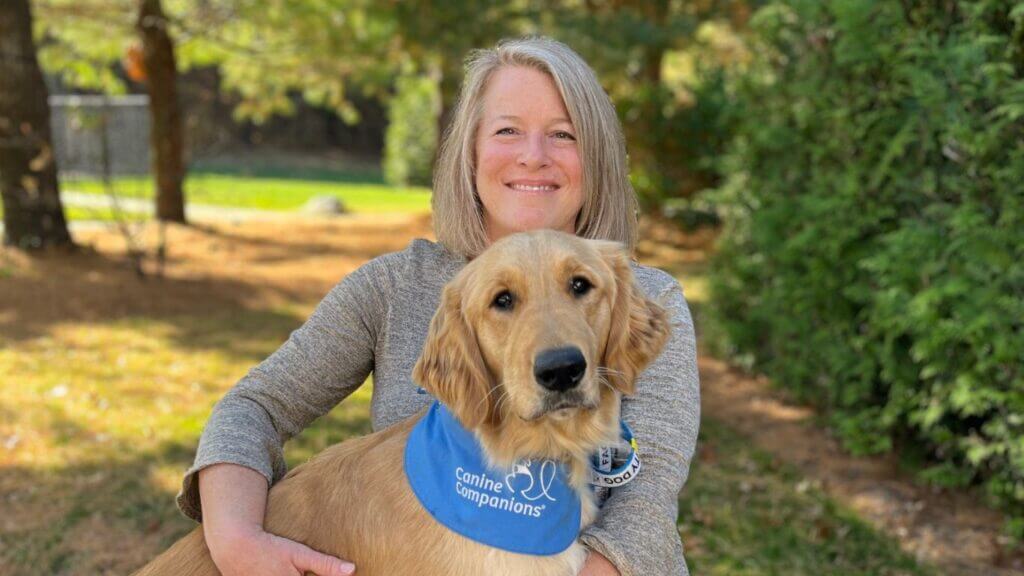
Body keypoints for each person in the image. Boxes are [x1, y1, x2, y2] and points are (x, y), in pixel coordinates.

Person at [176, 36, 700, 576]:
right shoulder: (393, 287)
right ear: (470, 152)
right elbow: (256, 407)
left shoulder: (643, 295)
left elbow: (647, 494)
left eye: (563, 134)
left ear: (597, 157)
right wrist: (237, 543)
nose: (533, 155)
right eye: (507, 130)